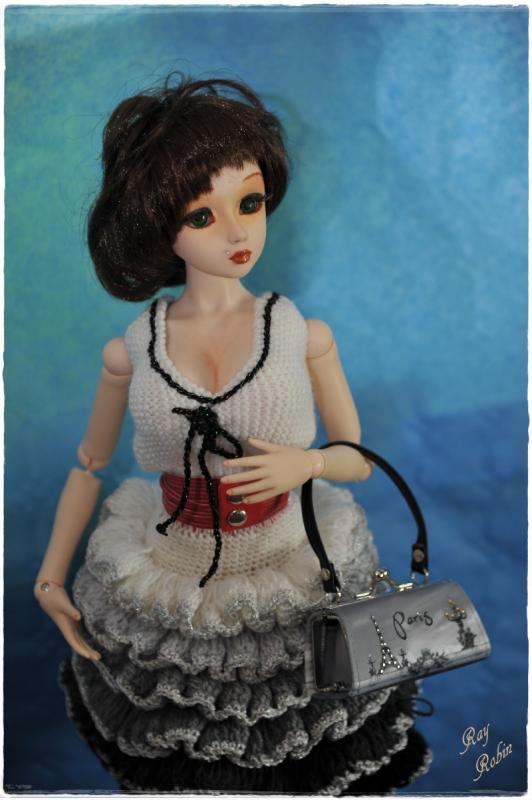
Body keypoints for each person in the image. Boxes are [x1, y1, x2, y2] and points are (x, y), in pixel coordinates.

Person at [34, 75, 431, 792]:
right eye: (202, 215)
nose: (239, 232)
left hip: (289, 566)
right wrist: (50, 577)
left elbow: (358, 458)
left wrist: (309, 464)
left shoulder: (301, 334)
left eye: (250, 202)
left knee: (304, 744)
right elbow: (88, 464)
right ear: (160, 226)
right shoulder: (132, 349)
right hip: (172, 579)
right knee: (188, 754)